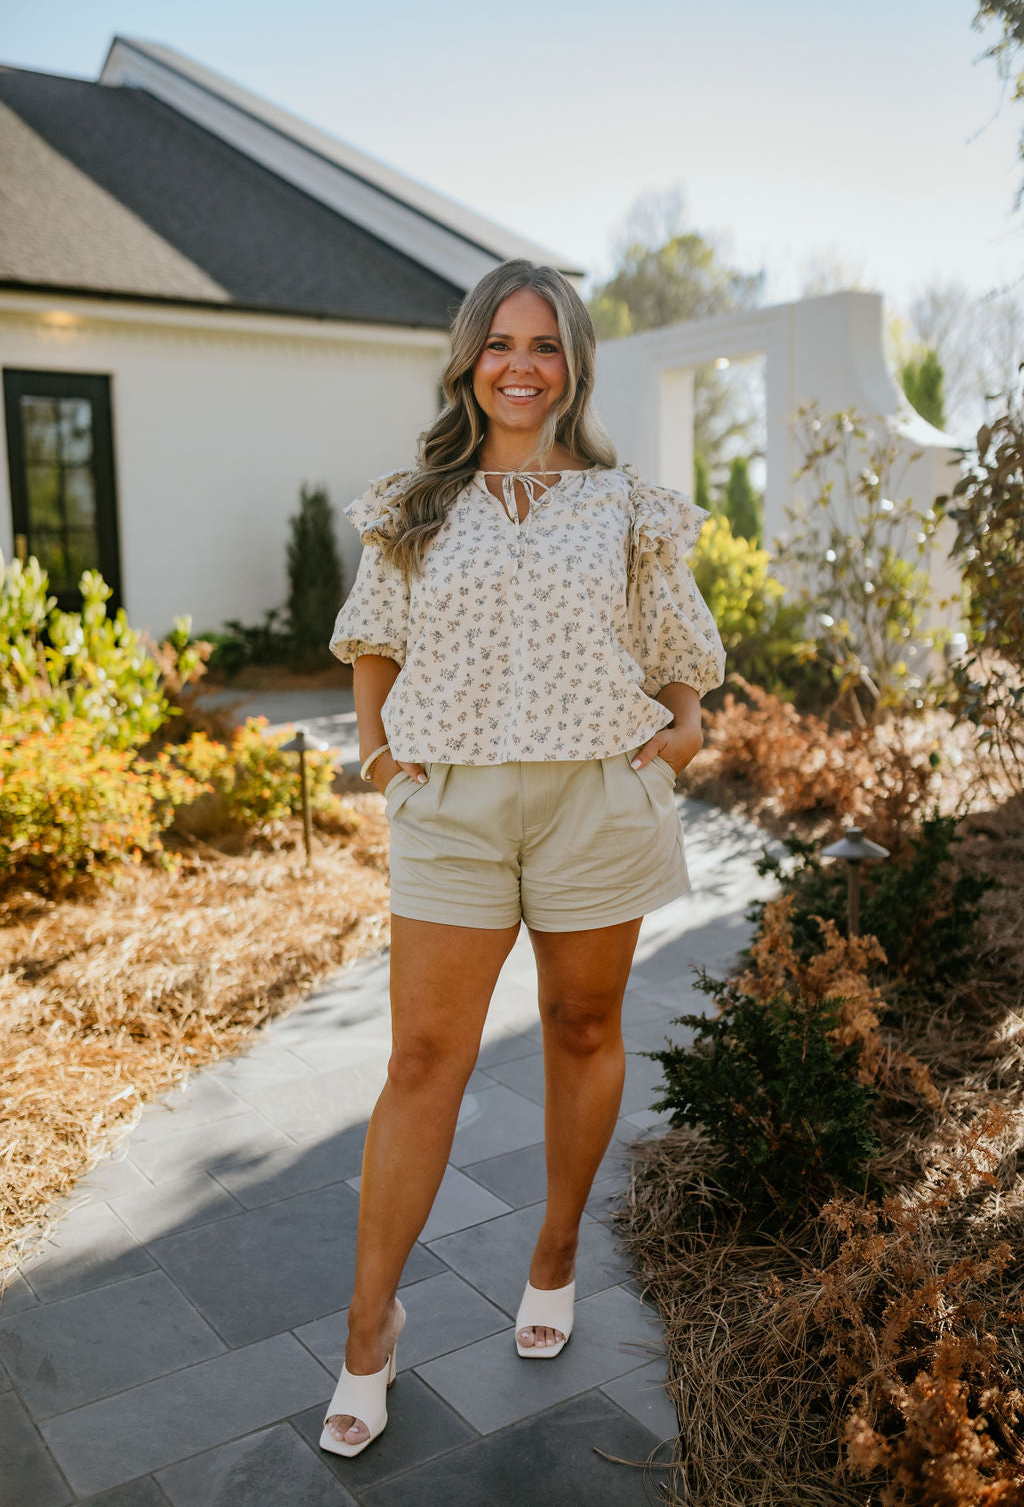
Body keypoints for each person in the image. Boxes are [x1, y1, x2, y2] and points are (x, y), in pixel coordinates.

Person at [320, 258, 726, 1457]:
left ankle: (553, 1254)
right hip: (451, 808)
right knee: (421, 1059)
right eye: (500, 342)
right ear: (468, 359)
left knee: (583, 1029)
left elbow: (677, 649)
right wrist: (385, 761)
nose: (520, 365)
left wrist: (676, 745)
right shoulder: (413, 502)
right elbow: (373, 641)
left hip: (597, 800)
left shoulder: (623, 504)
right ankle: (367, 1327)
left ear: (574, 366)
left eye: (544, 345)